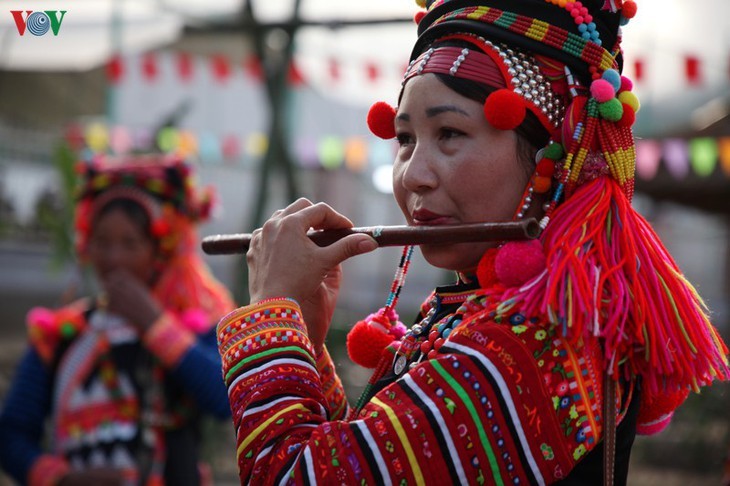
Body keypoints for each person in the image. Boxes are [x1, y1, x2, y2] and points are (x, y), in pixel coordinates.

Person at [216, 0, 729, 484]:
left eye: (450, 134)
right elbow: (362, 459)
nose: (413, 175)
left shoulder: (529, 349)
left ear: (549, 155)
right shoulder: (500, 319)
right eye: (405, 139)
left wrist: (269, 313)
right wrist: (302, 329)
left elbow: (288, 475)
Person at [0, 155, 235, 486]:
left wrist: (153, 323)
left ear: (159, 250)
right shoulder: (62, 334)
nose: (114, 258)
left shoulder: (192, 326)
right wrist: (62, 479)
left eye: (130, 244)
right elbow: (11, 433)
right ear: (87, 245)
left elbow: (228, 400)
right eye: (102, 242)